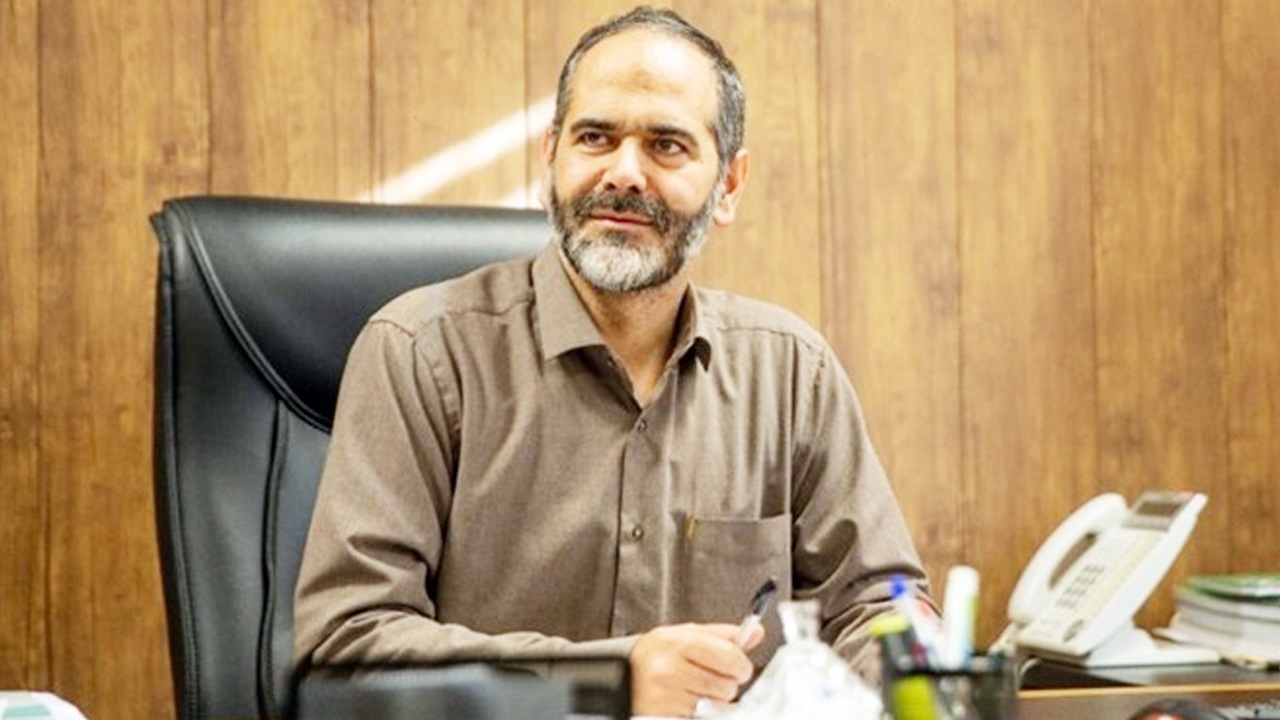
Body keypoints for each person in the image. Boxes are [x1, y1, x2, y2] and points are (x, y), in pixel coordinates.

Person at [293, 6, 931, 717]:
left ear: (729, 186)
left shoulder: (792, 375)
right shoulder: (420, 352)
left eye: (666, 145)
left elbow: (878, 609)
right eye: (595, 137)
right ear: (550, 158)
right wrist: (609, 680)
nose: (624, 173)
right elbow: (346, 648)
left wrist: (914, 671)